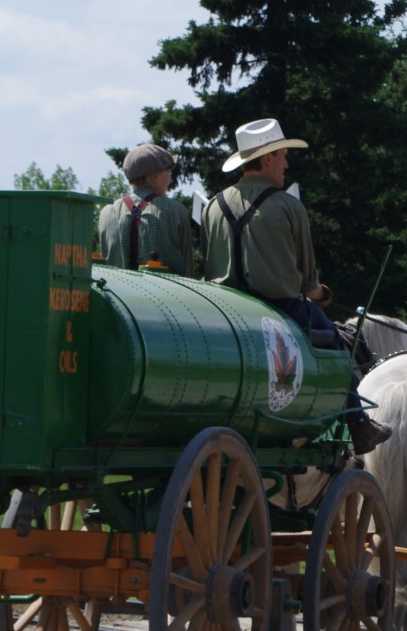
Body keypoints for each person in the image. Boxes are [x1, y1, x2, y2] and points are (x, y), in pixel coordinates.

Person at [203, 117, 391, 455]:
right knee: (336, 346)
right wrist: (323, 297)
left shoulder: (214, 207)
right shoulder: (289, 206)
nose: (287, 163)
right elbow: (307, 281)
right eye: (284, 155)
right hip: (282, 307)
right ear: (269, 157)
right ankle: (359, 425)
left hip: (224, 310)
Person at [96, 143, 197, 275]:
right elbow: (187, 273)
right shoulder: (175, 211)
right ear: (154, 177)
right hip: (164, 294)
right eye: (168, 173)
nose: (171, 179)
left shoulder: (107, 213)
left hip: (116, 294)